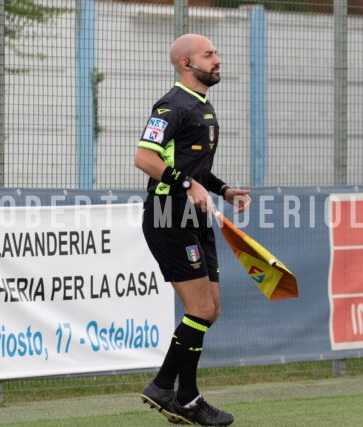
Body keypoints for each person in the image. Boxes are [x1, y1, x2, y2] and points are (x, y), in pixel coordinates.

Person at [134, 33, 251, 425]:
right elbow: (144, 158)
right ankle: (185, 397)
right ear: (187, 63)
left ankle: (165, 387)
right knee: (199, 308)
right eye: (209, 54)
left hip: (194, 217)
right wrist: (188, 185)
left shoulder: (202, 105)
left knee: (210, 310)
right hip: (169, 215)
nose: (218, 59)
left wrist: (222, 189)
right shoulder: (172, 105)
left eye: (216, 52)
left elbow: (192, 168)